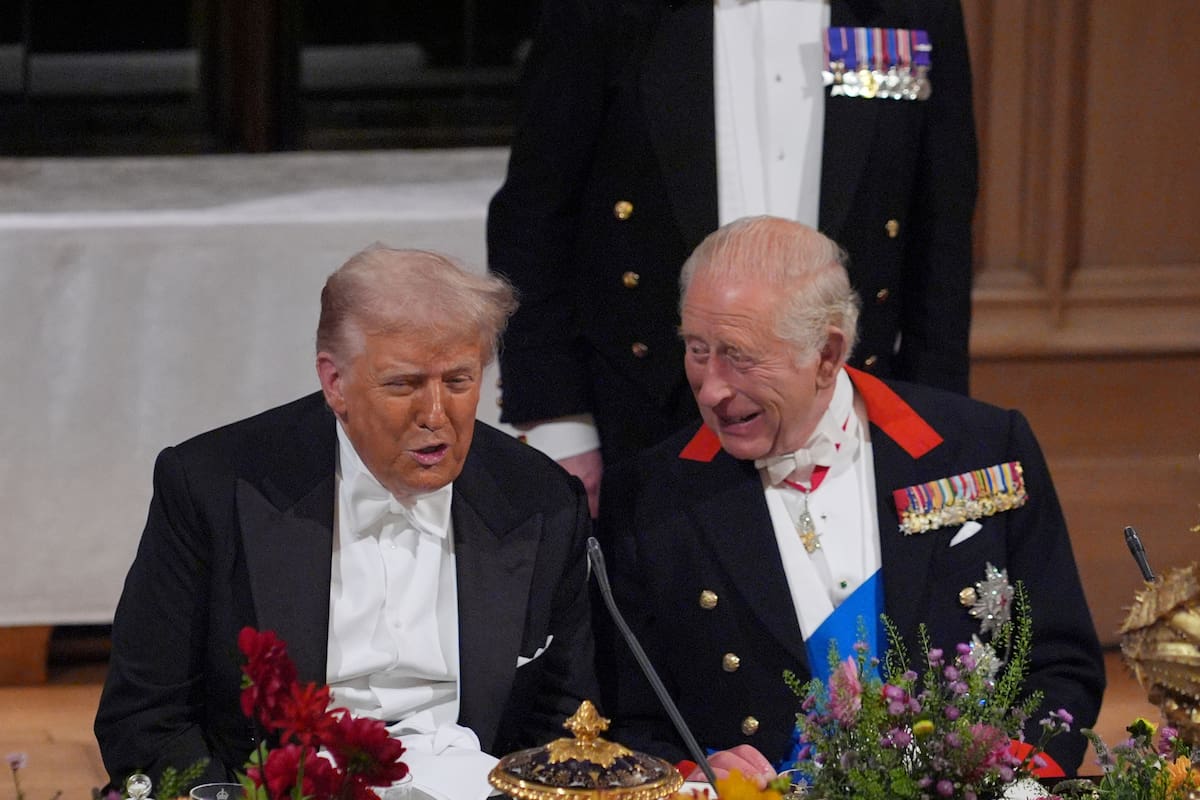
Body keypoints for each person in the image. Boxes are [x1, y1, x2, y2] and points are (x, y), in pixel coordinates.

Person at [595, 217, 1104, 777]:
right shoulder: (648, 497)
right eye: (697, 350)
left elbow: (1060, 665)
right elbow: (630, 720)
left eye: (740, 356)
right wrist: (695, 776)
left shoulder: (981, 448)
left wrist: (1005, 781)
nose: (712, 388)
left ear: (828, 354)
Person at [94, 247, 598, 795]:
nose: (436, 415)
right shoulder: (211, 488)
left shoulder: (542, 500)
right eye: (404, 384)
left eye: (458, 381)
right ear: (334, 382)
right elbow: (146, 715)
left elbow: (565, 716)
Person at [487, 0, 979, 514]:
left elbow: (941, 231)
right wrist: (560, 425)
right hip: (648, 417)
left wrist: (933, 420)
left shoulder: (914, 7)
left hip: (852, 406)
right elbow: (535, 215)